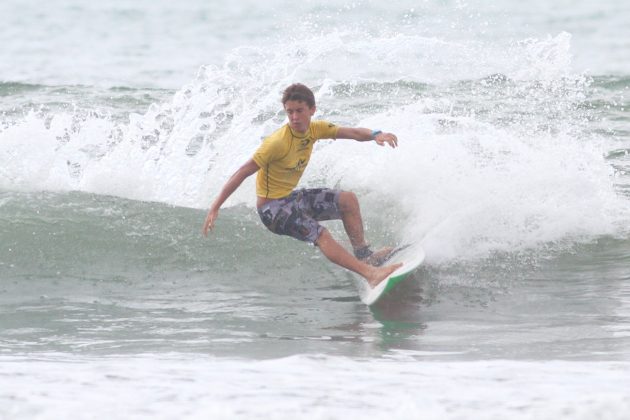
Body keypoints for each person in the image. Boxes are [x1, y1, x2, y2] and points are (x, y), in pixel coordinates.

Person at [202, 83, 402, 288]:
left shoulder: (315, 129)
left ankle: (364, 256)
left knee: (347, 200)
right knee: (321, 234)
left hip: (290, 198)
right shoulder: (277, 142)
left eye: (299, 111)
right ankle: (371, 274)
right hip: (272, 210)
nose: (295, 117)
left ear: (312, 109)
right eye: (290, 112)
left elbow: (352, 132)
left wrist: (376, 134)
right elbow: (242, 171)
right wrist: (215, 207)